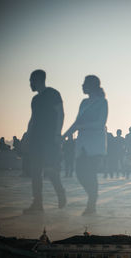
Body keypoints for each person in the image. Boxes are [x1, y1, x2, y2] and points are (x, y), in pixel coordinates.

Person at [63, 75, 108, 215]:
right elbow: (76, 122)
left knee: (90, 173)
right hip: (83, 144)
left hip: (95, 144)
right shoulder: (84, 102)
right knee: (80, 173)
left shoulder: (102, 102)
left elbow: (101, 123)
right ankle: (92, 197)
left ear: (92, 85)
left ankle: (91, 204)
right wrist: (63, 136)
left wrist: (82, 126)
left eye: (84, 83)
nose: (82, 86)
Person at [23, 70, 66, 214]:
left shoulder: (53, 94)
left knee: (50, 170)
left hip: (49, 139)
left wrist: (57, 134)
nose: (30, 84)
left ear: (38, 80)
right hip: (36, 140)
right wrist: (27, 136)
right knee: (36, 172)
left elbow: (60, 113)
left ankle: (60, 192)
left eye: (31, 81)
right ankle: (37, 204)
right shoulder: (34, 100)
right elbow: (33, 119)